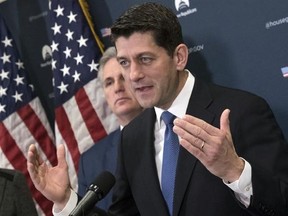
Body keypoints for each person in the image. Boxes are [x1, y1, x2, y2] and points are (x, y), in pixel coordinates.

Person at [27, 2, 288, 216]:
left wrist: (235, 171)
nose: (134, 75)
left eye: (145, 59)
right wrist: (66, 201)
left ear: (179, 57)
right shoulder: (132, 136)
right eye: (124, 62)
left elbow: (281, 204)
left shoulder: (242, 111)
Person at [77, 46, 143, 211]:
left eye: (123, 78)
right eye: (109, 82)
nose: (117, 88)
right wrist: (64, 200)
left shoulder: (172, 132)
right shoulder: (90, 161)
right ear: (105, 93)